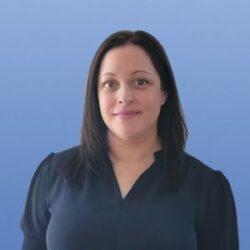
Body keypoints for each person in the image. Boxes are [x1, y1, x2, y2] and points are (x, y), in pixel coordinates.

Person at [20, 30, 239, 250]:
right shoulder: (54, 175)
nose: (124, 97)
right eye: (110, 84)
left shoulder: (206, 187)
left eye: (140, 82)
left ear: (164, 92)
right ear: (96, 95)